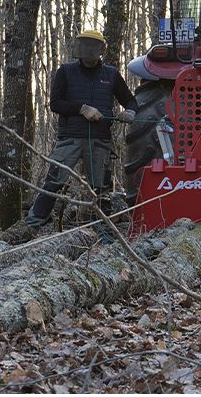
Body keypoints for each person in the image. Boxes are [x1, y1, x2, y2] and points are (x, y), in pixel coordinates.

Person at [26, 29, 138, 243]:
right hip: (70, 137)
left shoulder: (111, 74)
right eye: (85, 45)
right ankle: (32, 226)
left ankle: (104, 232)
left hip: (100, 139)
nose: (89, 50)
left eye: (93, 46)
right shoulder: (66, 72)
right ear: (79, 47)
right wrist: (81, 108)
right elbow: (55, 103)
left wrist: (130, 112)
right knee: (53, 182)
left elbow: (130, 101)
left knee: (101, 188)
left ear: (100, 50)